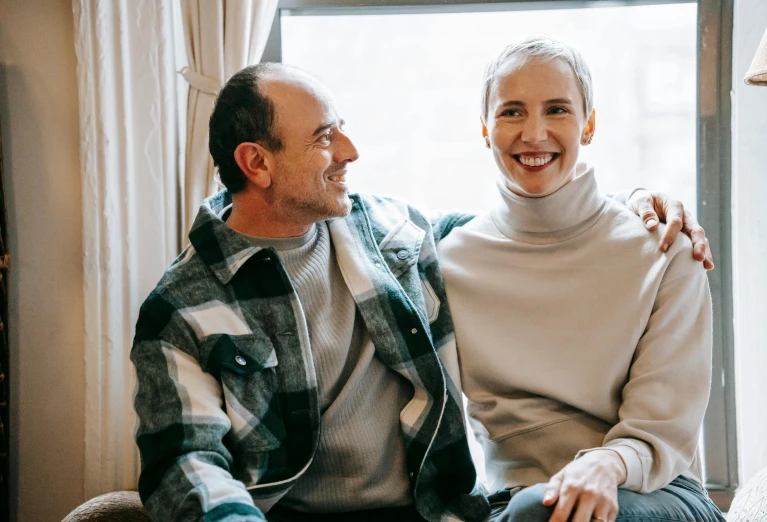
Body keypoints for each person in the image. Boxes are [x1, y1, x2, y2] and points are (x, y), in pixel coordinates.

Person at [131, 62, 712, 522]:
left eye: (558, 108)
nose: (351, 152)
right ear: (256, 162)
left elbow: (540, 225)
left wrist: (644, 201)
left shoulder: (390, 232)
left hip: (434, 511)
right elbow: (185, 464)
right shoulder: (180, 309)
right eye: (325, 138)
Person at [438, 37, 725, 522]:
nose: (534, 132)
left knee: (543, 509)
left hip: (655, 490)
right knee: (533, 508)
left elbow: (666, 424)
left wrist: (605, 465)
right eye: (511, 112)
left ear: (588, 125)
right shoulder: (447, 262)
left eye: (557, 110)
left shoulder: (666, 250)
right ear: (484, 128)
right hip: (512, 502)